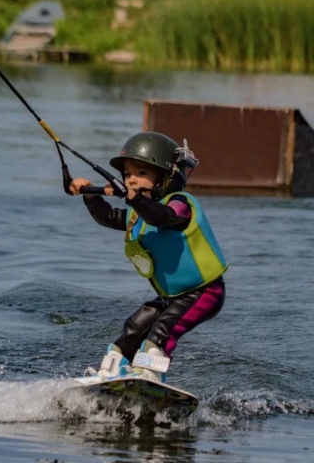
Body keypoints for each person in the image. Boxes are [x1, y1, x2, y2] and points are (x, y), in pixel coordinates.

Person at [69, 131, 228, 383]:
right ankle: (113, 370)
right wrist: (90, 195)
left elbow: (163, 217)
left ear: (166, 177)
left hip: (205, 292)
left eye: (142, 173)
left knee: (162, 332)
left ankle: (151, 375)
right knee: (133, 327)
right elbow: (108, 217)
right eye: (128, 174)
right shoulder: (138, 215)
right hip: (172, 296)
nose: (132, 180)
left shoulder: (180, 204)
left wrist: (133, 200)